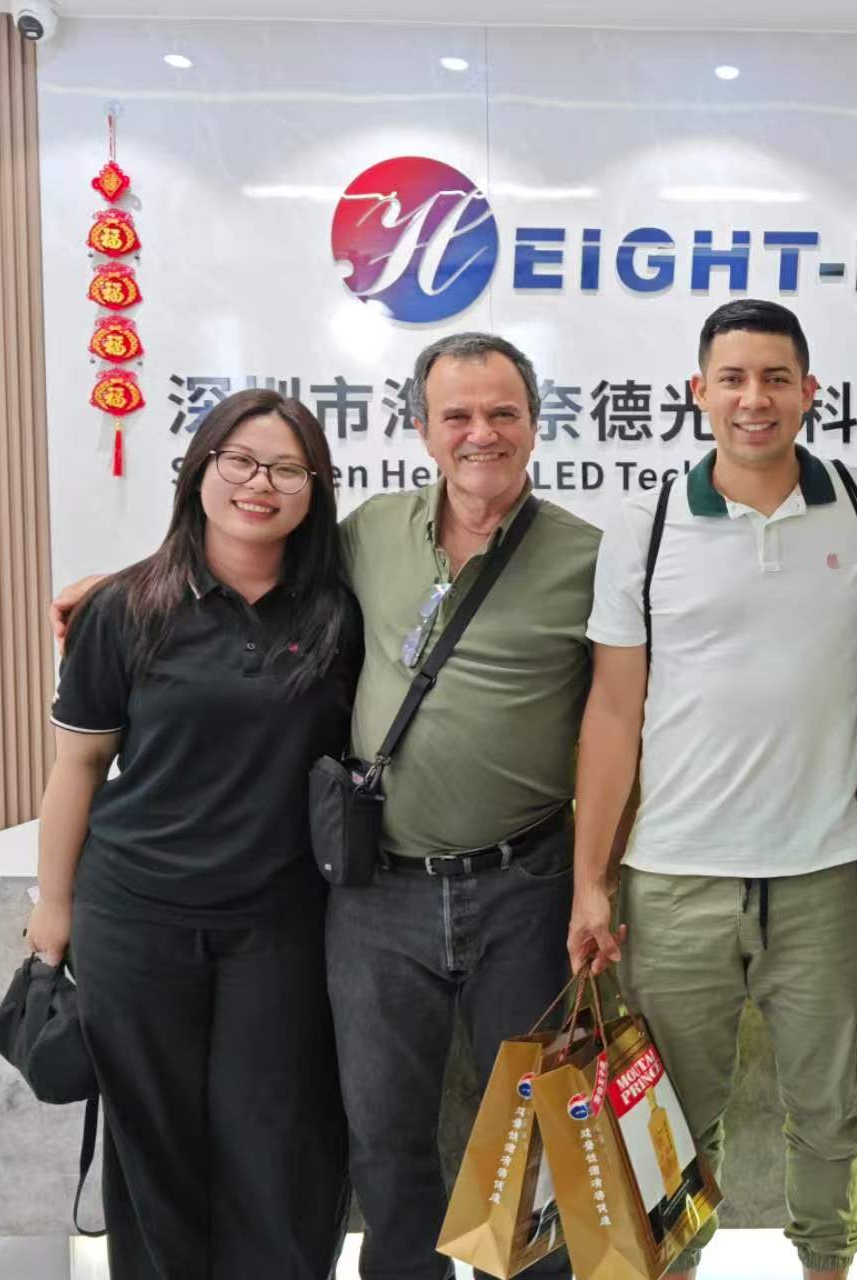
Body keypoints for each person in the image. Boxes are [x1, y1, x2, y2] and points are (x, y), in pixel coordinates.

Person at [53, 333, 600, 1280]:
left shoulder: (584, 556)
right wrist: (114, 589)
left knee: (520, 1126)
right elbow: (239, 557)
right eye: (457, 415)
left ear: (535, 423)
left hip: (510, 883)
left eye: (502, 412)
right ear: (420, 428)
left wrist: (595, 879)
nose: (480, 432)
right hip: (362, 892)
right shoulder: (373, 534)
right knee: (376, 1133)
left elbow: (624, 709)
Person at [568, 299, 857, 1280]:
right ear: (699, 392)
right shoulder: (647, 525)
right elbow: (612, 714)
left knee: (833, 1111)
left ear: (809, 391)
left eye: (775, 378)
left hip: (823, 877)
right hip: (675, 881)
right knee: (668, 1126)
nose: (753, 398)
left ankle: (828, 1264)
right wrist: (591, 882)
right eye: (731, 378)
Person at [30, 388, 358, 1278]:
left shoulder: (341, 612)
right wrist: (53, 905)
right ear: (199, 470)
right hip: (137, 916)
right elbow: (79, 767)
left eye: (287, 469)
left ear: (315, 490)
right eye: (239, 461)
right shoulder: (125, 608)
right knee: (153, 1145)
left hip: (281, 923)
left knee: (278, 1141)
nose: (261, 484)